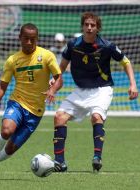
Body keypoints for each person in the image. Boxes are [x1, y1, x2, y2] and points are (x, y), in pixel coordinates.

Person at [0, 23, 63, 180]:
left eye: (32, 39)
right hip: (17, 103)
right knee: (6, 131)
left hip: (36, 112)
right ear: (19, 38)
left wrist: (52, 89)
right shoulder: (12, 60)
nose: (29, 42)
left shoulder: (47, 56)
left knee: (10, 149)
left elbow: (59, 78)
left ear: (37, 39)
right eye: (26, 39)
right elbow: (2, 86)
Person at [51, 12, 138, 173]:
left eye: (93, 25)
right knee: (59, 117)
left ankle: (97, 157)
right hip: (80, 90)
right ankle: (59, 162)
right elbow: (61, 67)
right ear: (82, 26)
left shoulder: (107, 45)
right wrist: (54, 83)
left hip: (102, 89)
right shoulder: (72, 45)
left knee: (96, 117)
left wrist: (133, 84)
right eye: (86, 25)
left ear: (98, 28)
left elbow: (126, 61)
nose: (89, 28)